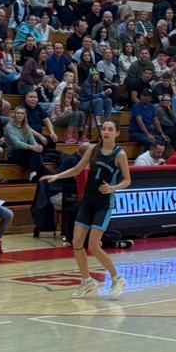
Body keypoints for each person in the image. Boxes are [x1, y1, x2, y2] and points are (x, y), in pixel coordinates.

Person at [45, 120, 130, 298]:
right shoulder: (93, 149)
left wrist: (113, 188)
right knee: (76, 242)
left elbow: (127, 180)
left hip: (104, 203)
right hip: (88, 201)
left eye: (110, 129)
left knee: (93, 244)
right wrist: (57, 176)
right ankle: (86, 280)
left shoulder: (119, 154)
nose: (106, 132)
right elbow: (77, 169)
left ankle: (117, 278)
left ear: (117, 133)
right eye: (104, 129)